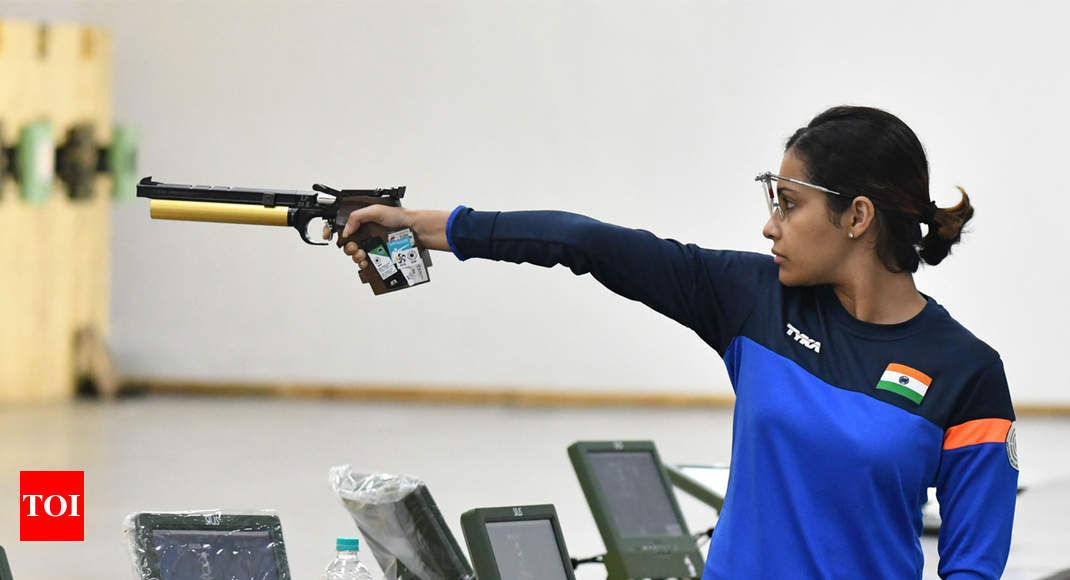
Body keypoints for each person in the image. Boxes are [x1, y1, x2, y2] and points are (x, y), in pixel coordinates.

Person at [324, 105, 1018, 579]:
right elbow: (585, 242)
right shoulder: (750, 299)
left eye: (788, 202)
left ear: (858, 216)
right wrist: (419, 226)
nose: (769, 226)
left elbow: (971, 566)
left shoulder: (968, 374)